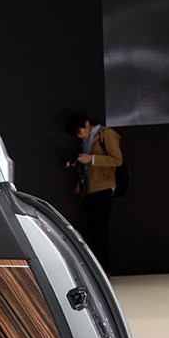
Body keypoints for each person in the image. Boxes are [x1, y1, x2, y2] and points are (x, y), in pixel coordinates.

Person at [64, 112, 123, 272]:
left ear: (86, 124)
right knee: (93, 233)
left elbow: (117, 160)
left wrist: (92, 159)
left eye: (80, 132)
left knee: (100, 233)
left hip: (102, 188)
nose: (80, 136)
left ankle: (104, 271)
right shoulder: (87, 140)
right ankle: (97, 271)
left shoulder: (105, 134)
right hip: (88, 189)